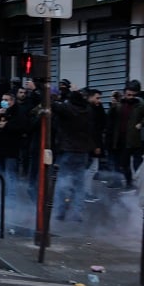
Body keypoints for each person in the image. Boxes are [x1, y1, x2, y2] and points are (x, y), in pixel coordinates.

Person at [51, 90, 94, 222]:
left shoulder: (67, 108)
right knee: (79, 185)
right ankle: (78, 213)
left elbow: (53, 105)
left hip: (67, 150)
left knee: (63, 183)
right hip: (82, 152)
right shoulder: (88, 111)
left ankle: (60, 212)